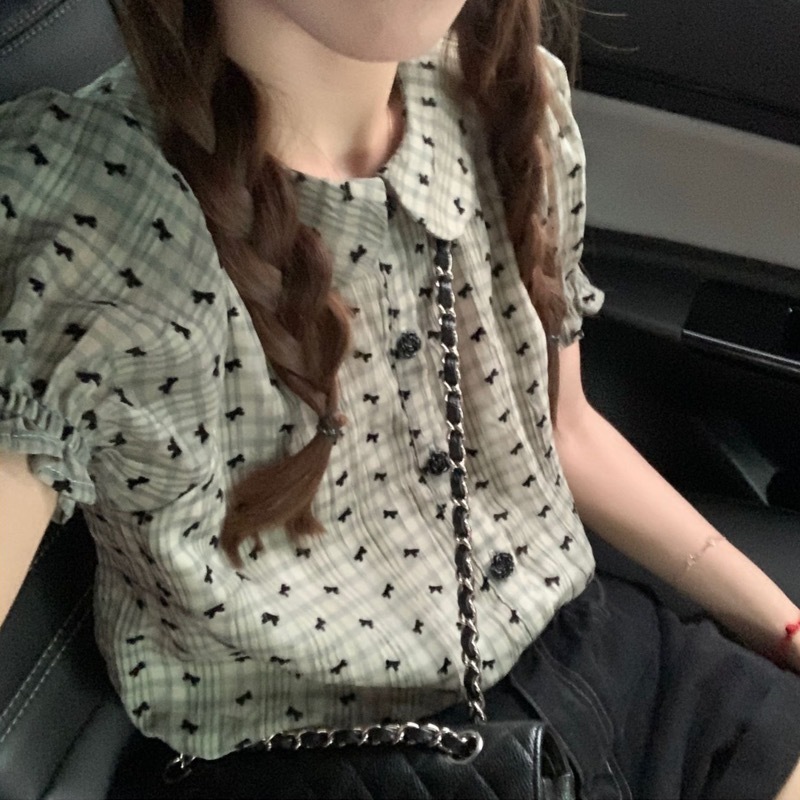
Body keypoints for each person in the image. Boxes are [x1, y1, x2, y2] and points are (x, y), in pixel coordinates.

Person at [1, 1, 799, 797]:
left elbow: (566, 432)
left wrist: (783, 624)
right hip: (319, 758)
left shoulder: (504, 100)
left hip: (595, 660)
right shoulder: (93, 216)